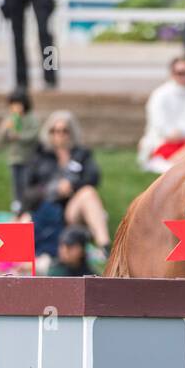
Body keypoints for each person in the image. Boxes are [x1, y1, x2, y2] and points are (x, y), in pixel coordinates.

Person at [22, 111, 108, 258]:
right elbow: (28, 189)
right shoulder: (40, 155)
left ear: (71, 132)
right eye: (54, 131)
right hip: (47, 207)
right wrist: (54, 189)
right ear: (49, 133)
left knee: (88, 192)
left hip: (73, 208)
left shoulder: (81, 154)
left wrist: (72, 186)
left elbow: (93, 177)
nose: (59, 135)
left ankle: (105, 246)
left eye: (64, 131)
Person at [138, 59, 185, 173]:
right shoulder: (160, 95)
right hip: (164, 142)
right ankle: (168, 163)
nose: (184, 77)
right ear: (172, 74)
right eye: (180, 73)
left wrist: (181, 132)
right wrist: (173, 134)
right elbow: (159, 125)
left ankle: (171, 164)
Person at [0, 87, 39, 213]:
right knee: (16, 182)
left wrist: (19, 136)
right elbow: (1, 138)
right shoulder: (11, 119)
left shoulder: (31, 118)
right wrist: (4, 129)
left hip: (28, 158)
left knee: (26, 182)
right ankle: (17, 202)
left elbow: (34, 135)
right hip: (14, 158)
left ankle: (27, 204)